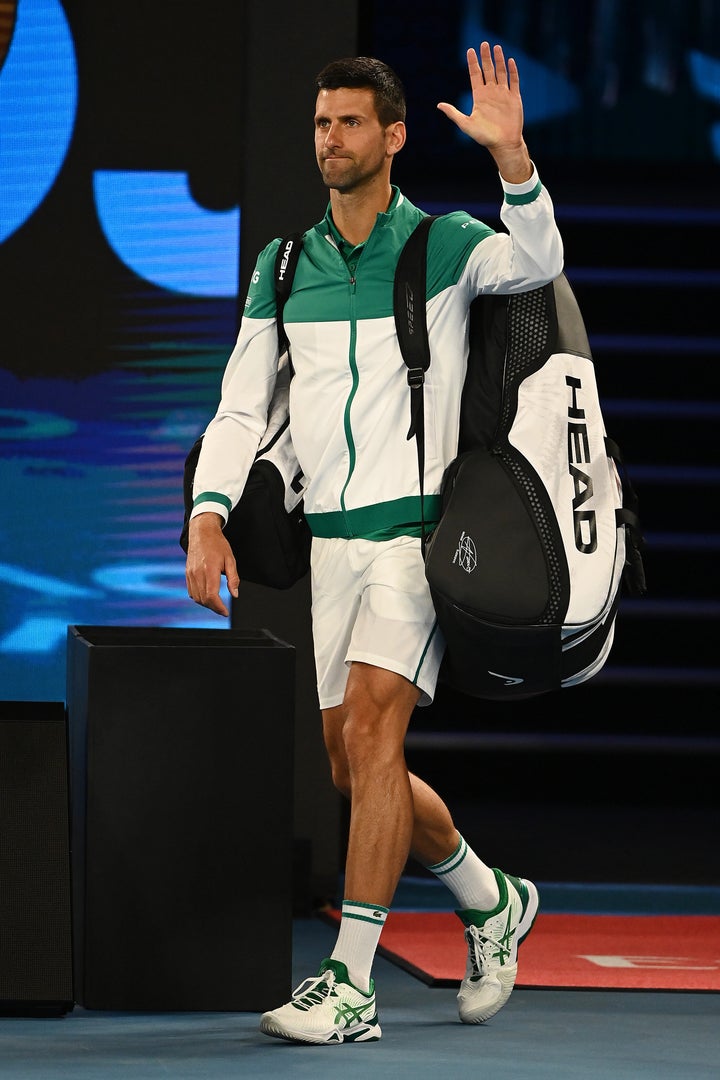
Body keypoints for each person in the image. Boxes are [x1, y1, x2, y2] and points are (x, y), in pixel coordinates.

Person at [185, 42, 564, 1045]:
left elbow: (538, 262)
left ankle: (350, 985)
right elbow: (237, 408)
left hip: (412, 542)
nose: (331, 139)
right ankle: (490, 897)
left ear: (393, 137)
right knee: (358, 771)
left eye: (351, 122)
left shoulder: (441, 247)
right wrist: (207, 512)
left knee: (374, 735)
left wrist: (513, 161)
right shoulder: (282, 266)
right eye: (321, 123)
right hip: (331, 555)